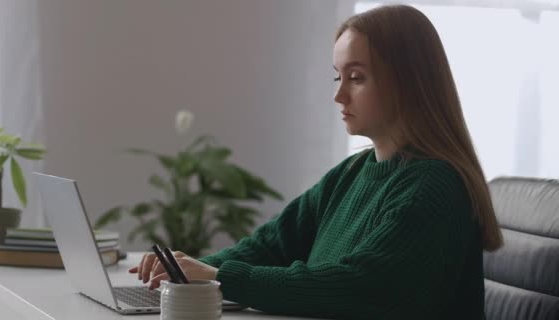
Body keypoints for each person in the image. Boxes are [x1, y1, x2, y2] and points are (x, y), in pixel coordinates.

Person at [129, 4, 503, 319]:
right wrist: (184, 269)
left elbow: (362, 287)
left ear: (408, 82)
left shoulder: (436, 186)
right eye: (337, 76)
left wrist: (220, 276)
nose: (338, 94)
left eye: (356, 77)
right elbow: (271, 245)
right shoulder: (353, 172)